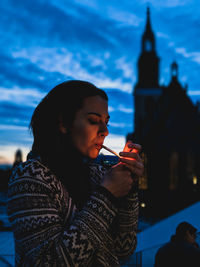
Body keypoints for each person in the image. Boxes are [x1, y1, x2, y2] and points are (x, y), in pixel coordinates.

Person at [7, 80, 144, 266]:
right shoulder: (29, 177)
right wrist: (107, 196)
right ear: (63, 124)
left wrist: (129, 186)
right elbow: (50, 262)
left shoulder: (97, 175)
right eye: (94, 121)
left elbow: (124, 249)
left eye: (106, 122)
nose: (105, 132)